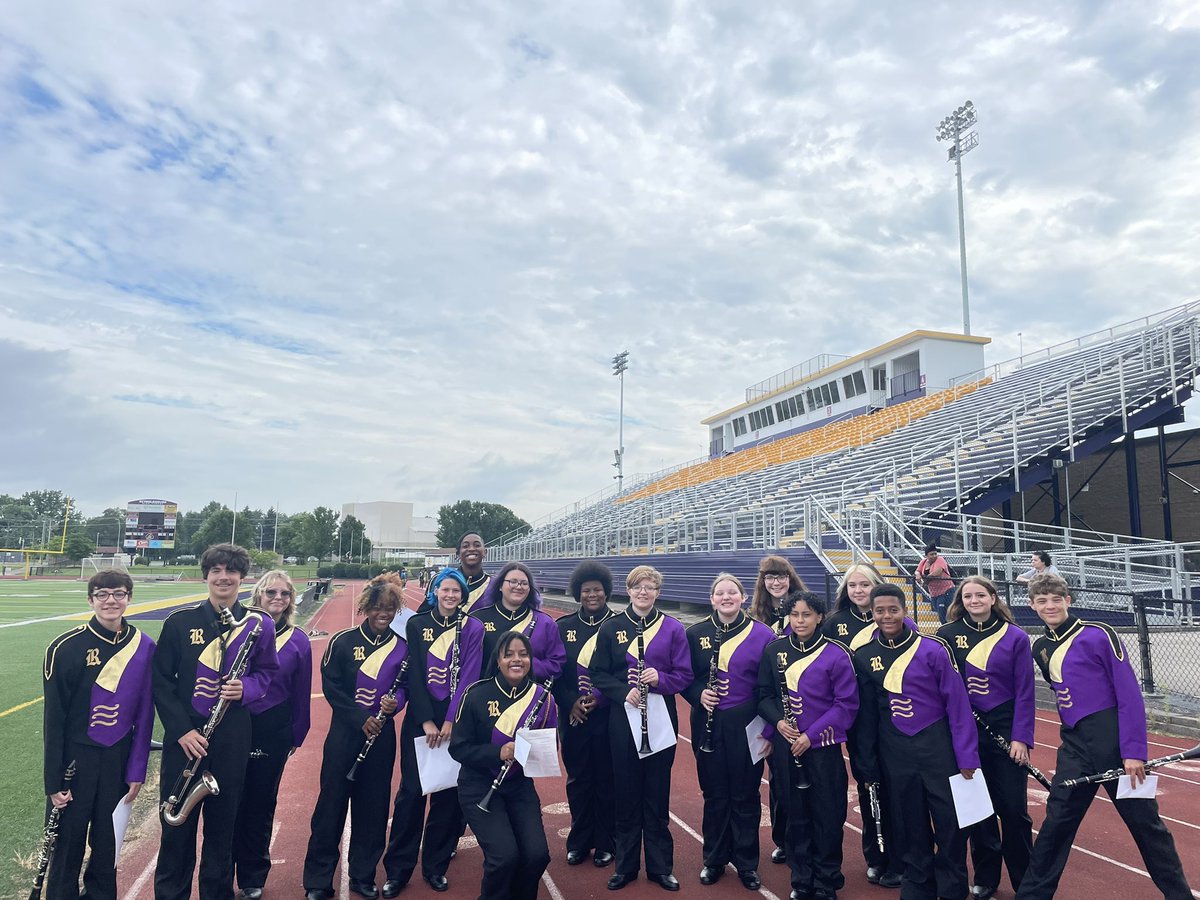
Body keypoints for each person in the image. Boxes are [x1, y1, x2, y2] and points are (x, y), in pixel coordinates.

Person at [1016, 574, 1192, 899]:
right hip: (1075, 748)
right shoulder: (1040, 647)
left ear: (1068, 600)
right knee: (1055, 826)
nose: (1050, 606)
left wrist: (1134, 752)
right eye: (1042, 601)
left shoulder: (1100, 634)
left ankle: (1179, 895)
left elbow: (1129, 696)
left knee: (1147, 827)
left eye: (1056, 599)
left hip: (1117, 746)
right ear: (1032, 605)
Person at [153, 543, 279, 900]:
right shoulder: (181, 622)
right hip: (187, 737)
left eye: (231, 571)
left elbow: (267, 671)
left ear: (242, 577)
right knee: (175, 828)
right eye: (216, 571)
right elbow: (162, 681)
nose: (223, 578)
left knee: (223, 828)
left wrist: (247, 687)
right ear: (206, 576)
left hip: (232, 735)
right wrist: (181, 731)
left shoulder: (259, 623)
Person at [853, 583, 979, 900]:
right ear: (872, 613)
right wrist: (867, 762)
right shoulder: (865, 655)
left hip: (939, 748)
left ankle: (952, 885)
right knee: (909, 821)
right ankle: (918, 881)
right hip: (894, 751)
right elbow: (866, 716)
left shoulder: (933, 650)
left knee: (950, 822)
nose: (886, 616)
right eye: (879, 611)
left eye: (892, 610)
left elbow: (958, 706)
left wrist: (967, 757)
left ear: (904, 611)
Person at [41, 570, 155, 900]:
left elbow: (145, 715)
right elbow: (54, 722)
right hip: (75, 764)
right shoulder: (64, 647)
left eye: (118, 594)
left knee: (108, 847)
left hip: (117, 762)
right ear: (90, 600)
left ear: (129, 598)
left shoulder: (144, 646)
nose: (110, 601)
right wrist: (54, 783)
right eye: (102, 594)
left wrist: (136, 771)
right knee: (67, 846)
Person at [302, 574, 410, 900]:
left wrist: (397, 703)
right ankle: (318, 880)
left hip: (382, 738)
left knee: (373, 809)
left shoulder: (402, 647)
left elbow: (405, 688)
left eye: (389, 609)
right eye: (377, 608)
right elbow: (332, 688)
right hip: (345, 736)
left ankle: (362, 875)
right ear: (366, 607)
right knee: (330, 808)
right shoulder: (342, 641)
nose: (383, 614)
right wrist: (360, 718)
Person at [382, 568, 484, 896]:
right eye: (445, 589)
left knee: (446, 798)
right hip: (420, 721)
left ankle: (435, 866)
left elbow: (469, 677)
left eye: (457, 590)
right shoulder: (417, 624)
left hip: (456, 724)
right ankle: (398, 870)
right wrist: (427, 720)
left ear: (463, 594)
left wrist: (451, 721)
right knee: (410, 796)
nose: (451, 595)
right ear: (435, 591)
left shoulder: (473, 627)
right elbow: (414, 675)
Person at [591, 565, 693, 892]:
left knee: (656, 796)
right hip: (624, 720)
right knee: (627, 796)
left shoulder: (673, 628)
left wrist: (660, 679)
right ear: (629, 591)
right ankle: (626, 866)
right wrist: (624, 691)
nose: (643, 593)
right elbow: (599, 673)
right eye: (638, 588)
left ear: (658, 592)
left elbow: (685, 674)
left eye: (650, 588)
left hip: (661, 720)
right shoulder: (612, 627)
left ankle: (661, 868)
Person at [938, 576, 1035, 899]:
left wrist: (1021, 738)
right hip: (966, 735)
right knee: (978, 810)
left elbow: (1025, 692)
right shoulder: (947, 636)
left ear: (994, 598)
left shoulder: (1016, 637)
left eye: (981, 594)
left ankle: (1026, 880)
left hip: (1007, 735)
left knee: (1013, 811)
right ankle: (986, 876)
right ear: (960, 600)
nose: (974, 600)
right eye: (968, 595)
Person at [757, 590, 858, 900]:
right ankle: (801, 879)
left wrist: (810, 736)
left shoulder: (836, 653)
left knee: (828, 815)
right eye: (795, 615)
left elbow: (846, 704)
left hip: (822, 748)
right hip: (787, 746)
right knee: (795, 814)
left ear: (819, 617)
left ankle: (827, 880)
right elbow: (764, 695)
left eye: (807, 615)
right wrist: (778, 722)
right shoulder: (774, 651)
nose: (800, 621)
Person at [684, 573, 775, 890]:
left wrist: (769, 730)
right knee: (715, 794)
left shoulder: (763, 634)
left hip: (749, 725)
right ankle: (714, 859)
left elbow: (771, 686)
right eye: (720, 593)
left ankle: (747, 863)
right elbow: (686, 676)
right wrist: (698, 694)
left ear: (743, 598)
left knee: (746, 795)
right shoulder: (695, 633)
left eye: (732, 592)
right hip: (708, 725)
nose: (726, 597)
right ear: (711, 599)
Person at [451, 631, 556, 900]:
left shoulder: (544, 699)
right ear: (498, 659)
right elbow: (458, 748)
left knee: (536, 855)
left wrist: (537, 751)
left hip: (518, 787)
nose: (516, 660)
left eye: (523, 654)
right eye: (508, 654)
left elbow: (548, 747)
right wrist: (499, 752)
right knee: (504, 857)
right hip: (478, 786)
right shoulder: (475, 694)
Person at [820, 563, 903, 889]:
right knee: (869, 785)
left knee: (898, 789)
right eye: (852, 585)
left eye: (865, 585)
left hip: (893, 719)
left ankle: (903, 852)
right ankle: (876, 854)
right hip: (857, 721)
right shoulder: (833, 623)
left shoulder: (894, 619)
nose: (858, 591)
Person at [233, 570, 312, 900]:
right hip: (236, 725)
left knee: (261, 803)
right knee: (228, 803)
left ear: (291, 599)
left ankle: (253, 875)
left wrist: (297, 732)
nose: (277, 599)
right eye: (271, 593)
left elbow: (301, 691)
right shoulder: (241, 631)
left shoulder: (299, 640)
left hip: (274, 728)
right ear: (258, 596)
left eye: (284, 594)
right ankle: (220, 870)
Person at [553, 560, 618, 869]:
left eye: (598, 590)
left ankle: (607, 842)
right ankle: (579, 841)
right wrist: (571, 703)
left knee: (607, 780)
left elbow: (623, 673)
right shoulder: (562, 627)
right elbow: (555, 674)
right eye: (586, 590)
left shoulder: (619, 625)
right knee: (578, 780)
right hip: (573, 718)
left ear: (606, 592)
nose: (592, 595)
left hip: (609, 718)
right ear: (578, 593)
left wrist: (601, 700)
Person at [748, 554, 808, 866]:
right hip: (771, 705)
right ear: (763, 582)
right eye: (770, 577)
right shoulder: (756, 616)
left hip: (805, 702)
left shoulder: (803, 610)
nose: (776, 582)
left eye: (781, 576)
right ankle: (783, 839)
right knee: (778, 778)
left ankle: (808, 836)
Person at [470, 562, 566, 683]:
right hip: (486, 695)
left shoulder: (545, 623)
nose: (519, 587)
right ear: (500, 586)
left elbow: (556, 664)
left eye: (524, 583)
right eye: (513, 581)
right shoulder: (478, 619)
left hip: (530, 696)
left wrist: (524, 663)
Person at [916, 545, 955, 624]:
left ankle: (946, 629)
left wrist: (925, 579)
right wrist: (918, 575)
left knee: (942, 611)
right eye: (931, 554)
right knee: (939, 612)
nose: (934, 556)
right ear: (926, 556)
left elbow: (937, 572)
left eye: (935, 554)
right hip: (934, 593)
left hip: (946, 591)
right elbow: (917, 571)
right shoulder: (923, 562)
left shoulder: (940, 559)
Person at [455, 532, 491, 614]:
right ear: (458, 554)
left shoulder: (495, 585)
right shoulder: (442, 581)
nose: (471, 549)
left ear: (485, 552)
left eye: (477, 545)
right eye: (465, 546)